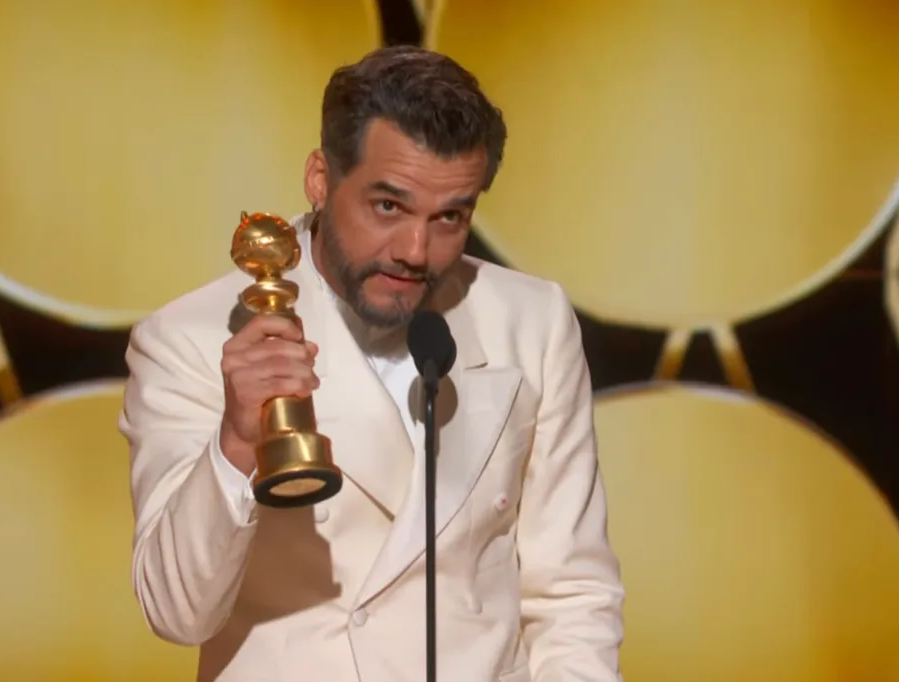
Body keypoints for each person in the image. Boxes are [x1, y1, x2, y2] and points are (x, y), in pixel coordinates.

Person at [119, 45, 625, 682]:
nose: (416, 250)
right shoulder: (187, 338)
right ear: (320, 180)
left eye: (450, 217)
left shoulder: (533, 321)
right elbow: (176, 613)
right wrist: (235, 446)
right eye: (389, 206)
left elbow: (573, 594)